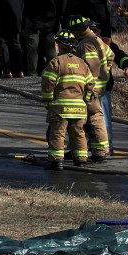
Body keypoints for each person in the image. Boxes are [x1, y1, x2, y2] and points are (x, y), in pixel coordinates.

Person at [41, 30, 95, 171]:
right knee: (79, 134)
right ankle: (81, 160)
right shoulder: (82, 64)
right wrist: (86, 99)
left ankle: (56, 162)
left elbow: (48, 83)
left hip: (61, 108)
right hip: (79, 108)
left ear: (59, 45)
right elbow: (90, 84)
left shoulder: (56, 62)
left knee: (58, 134)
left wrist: (48, 102)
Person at [67, 16, 111, 162]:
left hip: (90, 89)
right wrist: (105, 73)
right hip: (97, 87)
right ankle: (88, 150)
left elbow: (91, 67)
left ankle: (97, 153)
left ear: (78, 30)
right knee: (90, 119)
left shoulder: (86, 44)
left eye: (74, 31)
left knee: (90, 119)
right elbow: (111, 55)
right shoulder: (97, 40)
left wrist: (89, 87)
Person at [22, 0, 66, 75]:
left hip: (32, 17)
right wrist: (59, 15)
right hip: (49, 18)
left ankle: (32, 72)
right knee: (50, 46)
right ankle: (53, 72)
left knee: (32, 47)